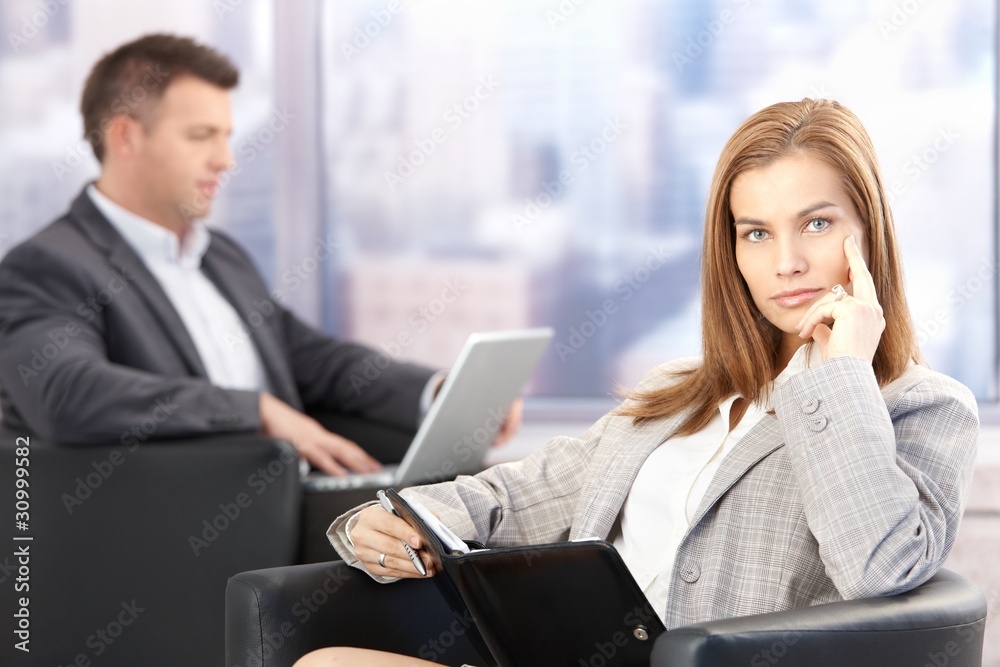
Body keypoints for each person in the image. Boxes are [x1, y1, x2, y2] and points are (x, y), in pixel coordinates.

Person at [293, 98, 980, 666]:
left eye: (818, 224)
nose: (789, 261)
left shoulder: (920, 407)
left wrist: (843, 374)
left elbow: (878, 570)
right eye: (756, 233)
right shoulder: (676, 393)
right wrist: (390, 521)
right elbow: (515, 493)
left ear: (869, 234)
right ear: (731, 251)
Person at [0, 33, 521, 475]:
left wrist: (437, 393)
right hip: (183, 526)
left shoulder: (219, 256)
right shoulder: (48, 266)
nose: (225, 159)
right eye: (201, 136)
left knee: (470, 499)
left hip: (284, 504)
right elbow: (66, 392)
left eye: (227, 137)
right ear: (125, 137)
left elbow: (316, 362)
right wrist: (255, 411)